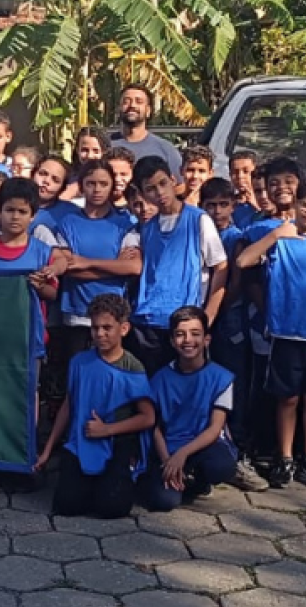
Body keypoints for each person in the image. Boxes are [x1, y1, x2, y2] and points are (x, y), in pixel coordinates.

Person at [237, 176, 306, 489]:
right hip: (285, 332)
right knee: (287, 399)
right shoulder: (278, 236)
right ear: (295, 203)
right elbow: (243, 260)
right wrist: (276, 235)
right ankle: (284, 458)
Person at [36, 294, 155, 518]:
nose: (100, 334)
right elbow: (69, 405)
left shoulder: (132, 367)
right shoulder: (80, 362)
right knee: (66, 506)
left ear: (124, 328)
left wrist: (107, 430)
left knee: (112, 508)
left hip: (115, 442)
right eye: (95, 328)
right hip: (81, 442)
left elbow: (147, 417)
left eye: (107, 328)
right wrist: (48, 450)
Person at [127, 156, 227, 375]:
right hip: (148, 322)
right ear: (143, 194)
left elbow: (220, 266)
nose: (160, 193)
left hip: (184, 323)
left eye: (163, 183)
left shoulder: (198, 220)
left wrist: (208, 315)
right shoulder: (147, 227)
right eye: (151, 189)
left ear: (173, 180)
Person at [200, 177, 267, 493]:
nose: (216, 211)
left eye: (223, 204)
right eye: (210, 205)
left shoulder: (237, 237)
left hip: (230, 322)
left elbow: (236, 281)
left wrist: (214, 312)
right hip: (198, 320)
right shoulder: (198, 231)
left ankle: (236, 453)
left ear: (234, 205)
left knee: (232, 386)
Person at [142, 306, 239, 509]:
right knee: (164, 502)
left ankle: (197, 480)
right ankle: (174, 477)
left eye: (195, 334)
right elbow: (154, 427)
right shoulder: (159, 379)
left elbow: (215, 428)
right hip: (168, 446)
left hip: (202, 445)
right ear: (172, 341)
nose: (188, 340)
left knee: (222, 467)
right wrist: (168, 460)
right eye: (180, 334)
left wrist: (182, 455)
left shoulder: (222, 378)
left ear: (206, 340)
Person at [0, 177, 63, 369]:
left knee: (28, 396)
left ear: (33, 215)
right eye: (10, 210)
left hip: (28, 342)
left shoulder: (42, 252)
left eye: (22, 211)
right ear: (0, 211)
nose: (15, 217)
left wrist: (41, 286)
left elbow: (53, 294)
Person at [56, 160, 142, 363]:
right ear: (82, 185)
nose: (97, 189)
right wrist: (115, 267)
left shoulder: (125, 223)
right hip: (76, 314)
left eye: (103, 184)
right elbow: (67, 268)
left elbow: (134, 267)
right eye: (91, 183)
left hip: (114, 316)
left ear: (112, 186)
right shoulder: (67, 223)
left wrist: (86, 262)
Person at [110, 84, 183, 173]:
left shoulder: (165, 149)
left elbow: (180, 185)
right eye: (126, 102)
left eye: (139, 101)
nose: (132, 105)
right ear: (119, 109)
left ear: (148, 111)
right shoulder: (105, 146)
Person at [230, 150, 260, 228]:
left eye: (246, 171)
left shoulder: (266, 201)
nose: (240, 176)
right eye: (235, 172)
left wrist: (256, 206)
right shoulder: (229, 203)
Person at [104, 146, 137, 216]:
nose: (117, 179)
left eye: (123, 174)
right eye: (112, 174)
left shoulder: (140, 210)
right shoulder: (91, 207)